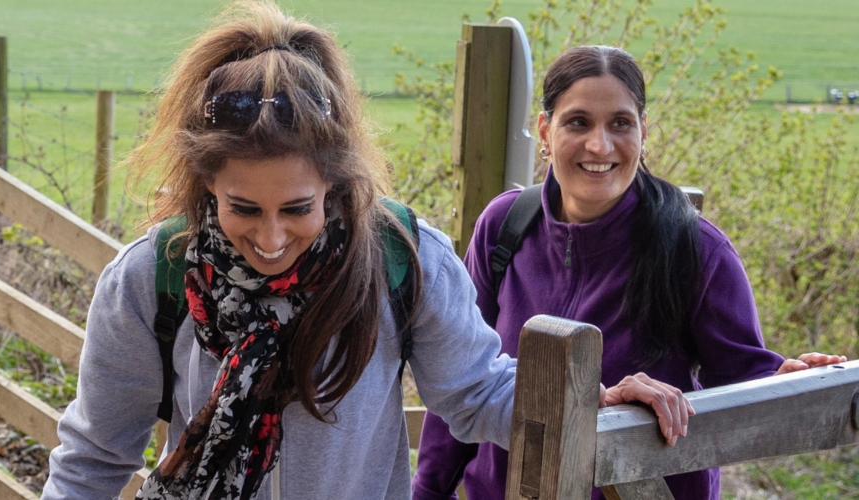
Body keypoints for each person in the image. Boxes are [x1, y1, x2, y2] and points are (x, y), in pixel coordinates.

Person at [41, 6, 693, 499]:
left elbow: (474, 391)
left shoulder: (401, 259)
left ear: (336, 180)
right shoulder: (151, 276)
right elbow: (96, 456)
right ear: (206, 182)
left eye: (297, 208)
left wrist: (590, 401)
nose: (271, 239)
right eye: (244, 208)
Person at [412, 45, 847, 500]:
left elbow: (741, 381)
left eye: (620, 123)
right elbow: (463, 377)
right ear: (545, 130)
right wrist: (428, 491)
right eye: (578, 121)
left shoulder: (696, 248)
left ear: (644, 132)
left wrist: (786, 380)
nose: (599, 145)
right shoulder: (504, 226)